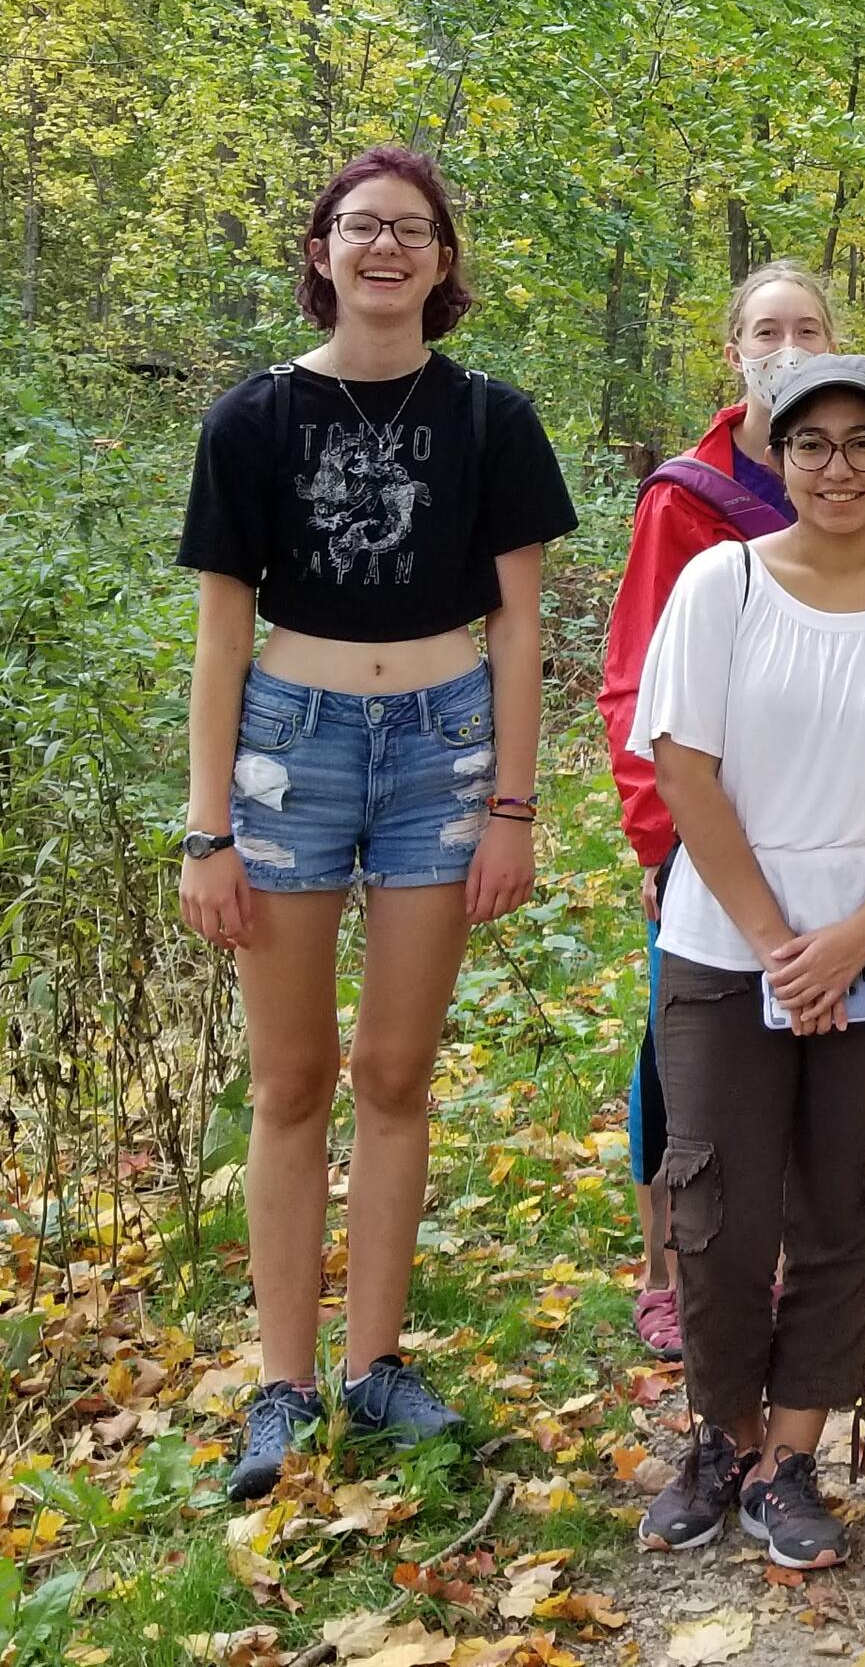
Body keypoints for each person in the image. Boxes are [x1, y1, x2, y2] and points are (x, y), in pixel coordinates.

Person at [176, 145, 578, 1503]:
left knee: (395, 1073)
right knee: (290, 1080)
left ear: (445, 259)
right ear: (323, 251)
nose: (386, 248)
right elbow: (220, 629)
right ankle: (281, 1388)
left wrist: (516, 801)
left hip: (444, 749)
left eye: (412, 229)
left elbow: (521, 621)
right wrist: (205, 825)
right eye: (361, 227)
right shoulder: (251, 420)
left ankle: (375, 1366)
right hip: (287, 751)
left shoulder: (490, 419)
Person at [627, 353, 865, 1569]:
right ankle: (721, 1440)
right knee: (719, 1210)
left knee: (841, 1199)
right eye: (811, 445)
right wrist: (773, 944)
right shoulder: (719, 585)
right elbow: (683, 769)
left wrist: (849, 940)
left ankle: (793, 1459)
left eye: (862, 444)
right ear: (777, 457)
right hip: (720, 946)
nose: (836, 467)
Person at [597, 262, 865, 1358]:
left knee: (823, 1048)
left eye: (808, 328)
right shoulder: (690, 496)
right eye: (766, 331)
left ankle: (790, 1268)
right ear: (733, 351)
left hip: (835, 828)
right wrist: (658, 836)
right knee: (686, 1053)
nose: (786, 347)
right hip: (708, 831)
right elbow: (637, 682)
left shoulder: (858, 479)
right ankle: (671, 1270)